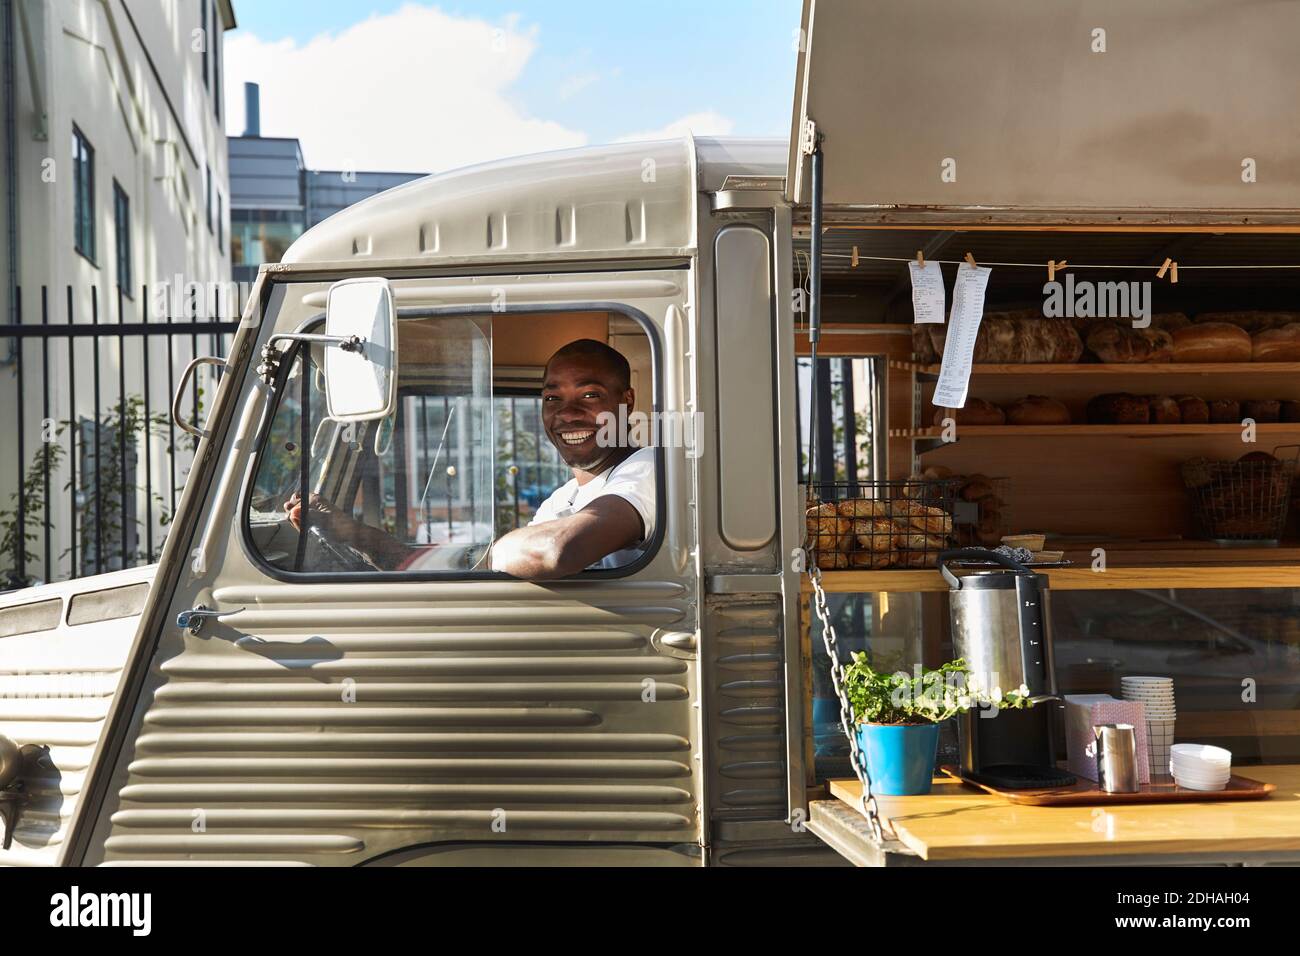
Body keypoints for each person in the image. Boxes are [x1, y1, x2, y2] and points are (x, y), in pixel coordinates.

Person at [284, 338, 654, 578]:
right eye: (552, 398)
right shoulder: (566, 498)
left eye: (589, 396)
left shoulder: (648, 471)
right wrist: (353, 534)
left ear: (627, 401)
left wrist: (486, 557)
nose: (567, 414)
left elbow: (556, 551)